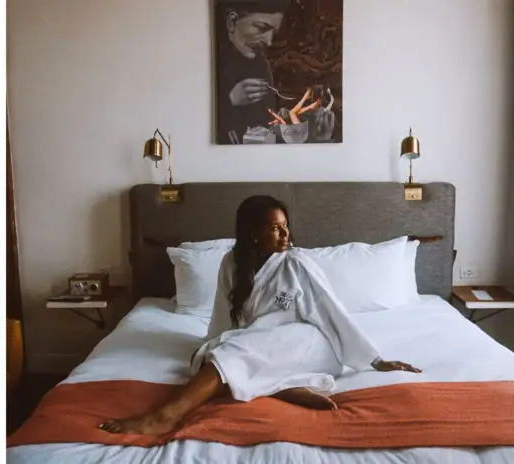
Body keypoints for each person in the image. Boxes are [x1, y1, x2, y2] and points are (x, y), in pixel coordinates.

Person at [99, 195, 421, 435]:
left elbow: (332, 313)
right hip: (261, 344)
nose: (285, 235)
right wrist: (214, 344)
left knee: (232, 353)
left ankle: (164, 416)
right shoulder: (232, 264)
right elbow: (224, 319)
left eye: (285, 226)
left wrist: (375, 360)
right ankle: (280, 387)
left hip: (309, 341)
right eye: (274, 228)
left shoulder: (298, 265)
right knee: (209, 354)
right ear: (254, 234)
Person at [216, 0, 290, 144]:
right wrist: (230, 100)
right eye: (262, 28)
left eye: (273, 32)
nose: (268, 42)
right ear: (232, 22)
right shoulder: (204, 60)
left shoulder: (261, 65)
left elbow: (266, 124)